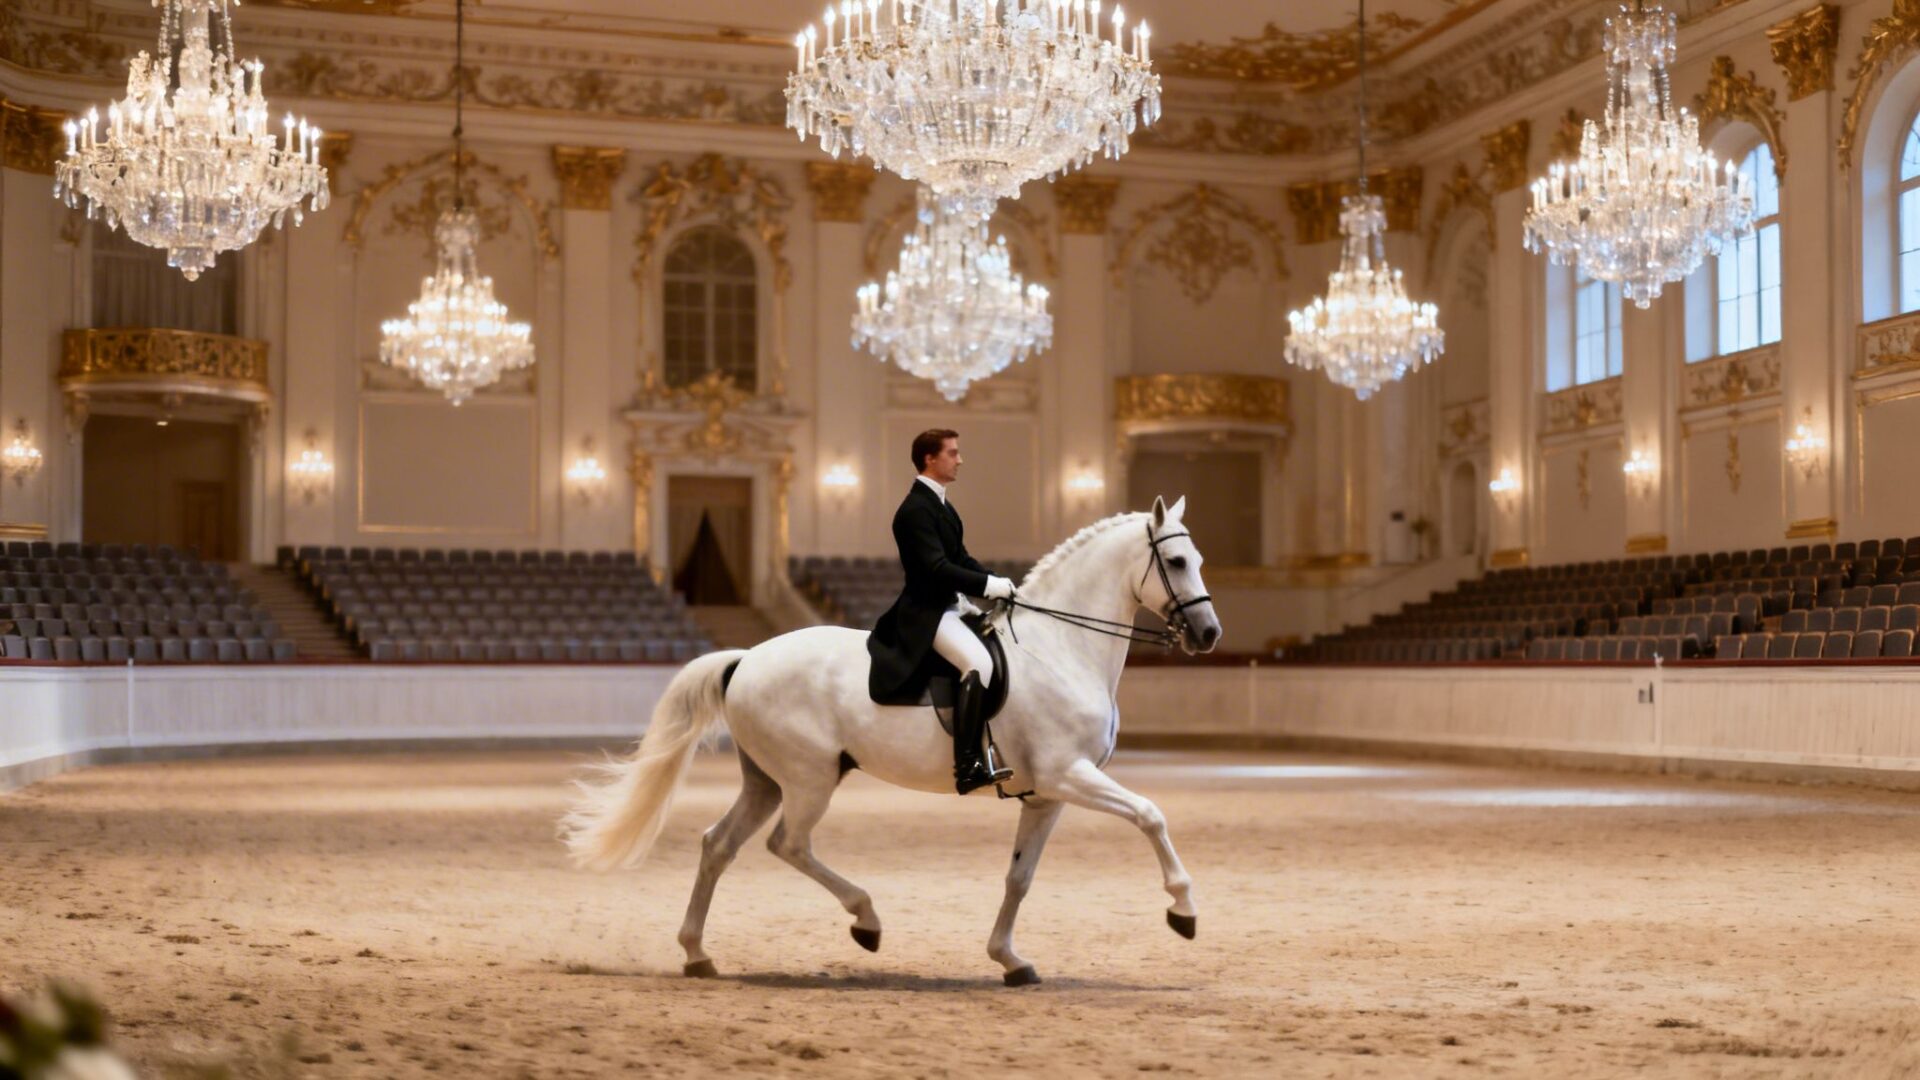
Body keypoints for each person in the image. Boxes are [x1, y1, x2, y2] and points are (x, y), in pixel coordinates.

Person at [867, 429, 1018, 794]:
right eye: (952, 453)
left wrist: (998, 581)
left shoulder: (942, 505)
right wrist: (987, 586)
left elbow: (960, 558)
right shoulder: (914, 510)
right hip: (928, 611)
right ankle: (967, 765)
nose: (959, 460)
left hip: (952, 605)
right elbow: (936, 568)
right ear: (930, 458)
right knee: (977, 663)